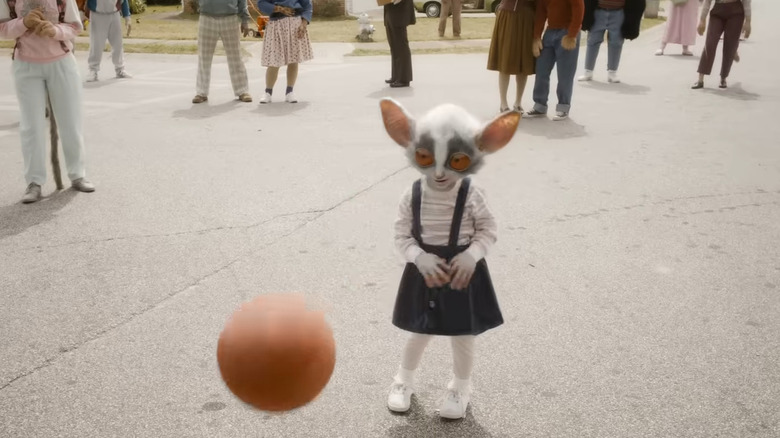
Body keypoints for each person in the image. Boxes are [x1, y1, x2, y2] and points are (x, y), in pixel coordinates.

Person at [378, 98, 520, 420]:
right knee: (419, 332)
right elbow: (401, 235)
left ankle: (460, 387)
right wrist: (418, 258)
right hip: (424, 272)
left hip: (462, 274)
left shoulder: (471, 193)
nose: (439, 172)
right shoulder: (412, 194)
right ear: (412, 147)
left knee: (462, 336)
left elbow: (488, 229)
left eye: (455, 161)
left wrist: (472, 255)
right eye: (426, 158)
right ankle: (403, 380)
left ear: (473, 155)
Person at [1, 0, 96, 204]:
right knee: (31, 126)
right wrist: (23, 22)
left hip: (61, 63)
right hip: (25, 66)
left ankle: (77, 174)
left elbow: (75, 26)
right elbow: (2, 28)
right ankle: (34, 182)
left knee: (70, 121)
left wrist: (54, 31)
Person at [525, 0, 584, 121]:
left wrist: (572, 35)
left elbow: (579, 9)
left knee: (565, 74)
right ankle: (540, 106)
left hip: (567, 32)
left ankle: (563, 107)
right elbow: (541, 13)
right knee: (541, 70)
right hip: (550, 32)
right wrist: (536, 36)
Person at [192, 0, 252, 104]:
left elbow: (242, 1)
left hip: (230, 18)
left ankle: (242, 91)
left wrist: (245, 20)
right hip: (207, 17)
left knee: (235, 56)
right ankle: (201, 92)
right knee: (204, 57)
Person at [257, 0, 313, 103]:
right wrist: (279, 9)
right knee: (274, 59)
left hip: (295, 23)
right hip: (276, 24)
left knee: (293, 58)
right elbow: (261, 3)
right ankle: (268, 92)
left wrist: (304, 24)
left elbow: (307, 6)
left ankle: (289, 92)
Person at [487, 0, 537, 114]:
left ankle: (518, 102)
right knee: (506, 60)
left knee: (523, 61)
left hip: (528, 17)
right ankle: (503, 103)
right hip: (508, 15)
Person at [578, 0, 646, 83]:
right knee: (592, 41)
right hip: (598, 11)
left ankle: (612, 72)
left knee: (616, 43)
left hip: (618, 12)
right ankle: (588, 71)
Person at [692, 0, 750, 89]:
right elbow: (707, 1)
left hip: (736, 12)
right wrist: (702, 20)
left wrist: (748, 21)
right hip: (717, 11)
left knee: (729, 46)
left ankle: (723, 77)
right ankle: (700, 79)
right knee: (710, 43)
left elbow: (746, 2)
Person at [83, 0, 132, 81]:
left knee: (118, 44)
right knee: (96, 45)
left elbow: (123, 1)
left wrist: (127, 16)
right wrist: (82, 13)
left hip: (114, 14)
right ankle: (93, 70)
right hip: (97, 15)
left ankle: (120, 69)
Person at [383, 0, 415, 88]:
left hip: (400, 10)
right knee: (394, 45)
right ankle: (396, 75)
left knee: (401, 45)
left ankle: (403, 79)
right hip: (391, 8)